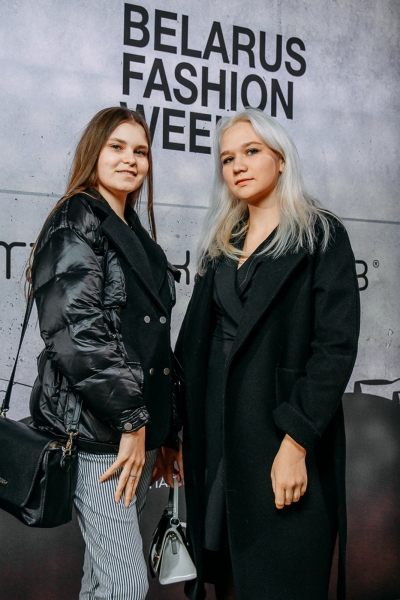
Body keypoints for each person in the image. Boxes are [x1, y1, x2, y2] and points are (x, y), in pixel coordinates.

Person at [174, 108, 360, 600]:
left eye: (251, 151)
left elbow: (335, 348)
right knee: (228, 575)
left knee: (280, 577)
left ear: (281, 159)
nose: (237, 165)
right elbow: (190, 346)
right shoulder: (221, 242)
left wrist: (297, 442)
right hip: (217, 432)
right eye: (227, 158)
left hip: (280, 432)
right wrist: (174, 431)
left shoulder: (321, 234)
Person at [27, 106, 183, 600]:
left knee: (102, 581)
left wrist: (166, 431)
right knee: (124, 584)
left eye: (141, 151)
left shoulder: (133, 230)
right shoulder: (75, 218)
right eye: (117, 147)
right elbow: (76, 335)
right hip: (101, 434)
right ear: (94, 152)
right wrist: (133, 422)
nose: (130, 159)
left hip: (137, 433)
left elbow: (153, 343)